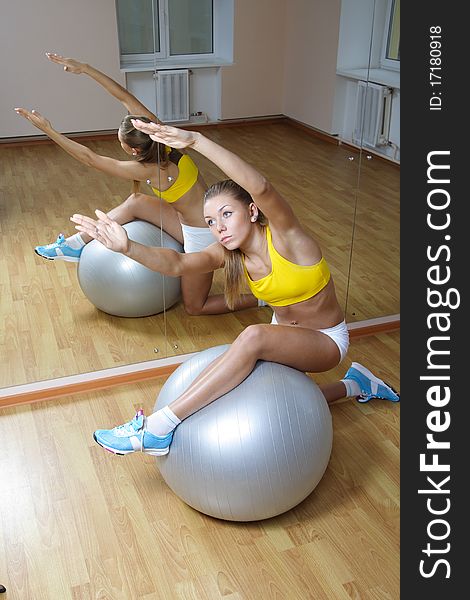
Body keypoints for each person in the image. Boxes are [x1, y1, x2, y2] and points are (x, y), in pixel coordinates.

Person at [70, 121, 400, 456]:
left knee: (252, 337)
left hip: (326, 340)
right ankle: (355, 385)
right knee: (250, 395)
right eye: (211, 222)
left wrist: (196, 140)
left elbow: (262, 186)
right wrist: (128, 248)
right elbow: (176, 264)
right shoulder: (230, 256)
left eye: (227, 214)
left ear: (253, 211)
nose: (219, 228)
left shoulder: (289, 240)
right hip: (285, 335)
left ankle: (156, 428)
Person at [14, 52, 261, 315]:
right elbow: (123, 96)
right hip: (193, 217)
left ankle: (261, 299)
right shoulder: (162, 134)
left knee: (195, 307)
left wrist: (49, 130)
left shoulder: (150, 170)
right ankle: (74, 244)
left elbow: (90, 159)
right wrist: (85, 68)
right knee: (136, 202)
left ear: (133, 150)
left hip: (202, 235)